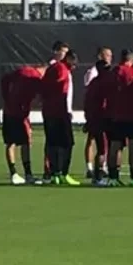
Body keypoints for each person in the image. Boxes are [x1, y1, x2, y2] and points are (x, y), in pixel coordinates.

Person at [0, 60, 46, 184]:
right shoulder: (37, 79)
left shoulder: (22, 70)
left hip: (8, 111)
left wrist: (6, 98)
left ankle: (13, 174)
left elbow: (5, 79)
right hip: (20, 114)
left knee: (10, 143)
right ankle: (28, 174)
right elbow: (42, 98)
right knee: (26, 142)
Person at [103, 49, 133, 186]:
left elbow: (107, 93)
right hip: (132, 116)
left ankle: (112, 177)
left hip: (116, 115)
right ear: (132, 60)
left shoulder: (113, 73)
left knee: (114, 146)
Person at [40, 47, 79, 186]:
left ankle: (54, 174)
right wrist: (65, 111)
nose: (74, 67)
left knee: (53, 143)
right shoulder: (62, 70)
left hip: (49, 112)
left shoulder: (53, 68)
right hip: (60, 113)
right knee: (67, 143)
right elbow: (61, 90)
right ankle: (62, 173)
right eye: (73, 63)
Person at [82, 49, 113, 182]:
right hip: (103, 119)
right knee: (103, 149)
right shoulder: (105, 83)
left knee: (100, 147)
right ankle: (99, 175)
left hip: (94, 118)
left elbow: (87, 102)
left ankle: (96, 174)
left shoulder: (93, 84)